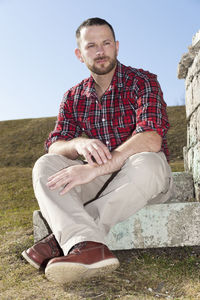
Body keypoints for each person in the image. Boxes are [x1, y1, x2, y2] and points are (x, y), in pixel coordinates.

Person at [22, 17, 173, 284]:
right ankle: (90, 247)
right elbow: (55, 143)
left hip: (141, 178)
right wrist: (77, 143)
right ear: (80, 54)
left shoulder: (143, 81)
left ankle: (67, 240)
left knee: (148, 163)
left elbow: (151, 139)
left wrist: (93, 168)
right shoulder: (73, 96)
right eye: (91, 46)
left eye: (106, 43)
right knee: (45, 166)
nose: (100, 51)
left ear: (116, 47)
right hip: (102, 180)